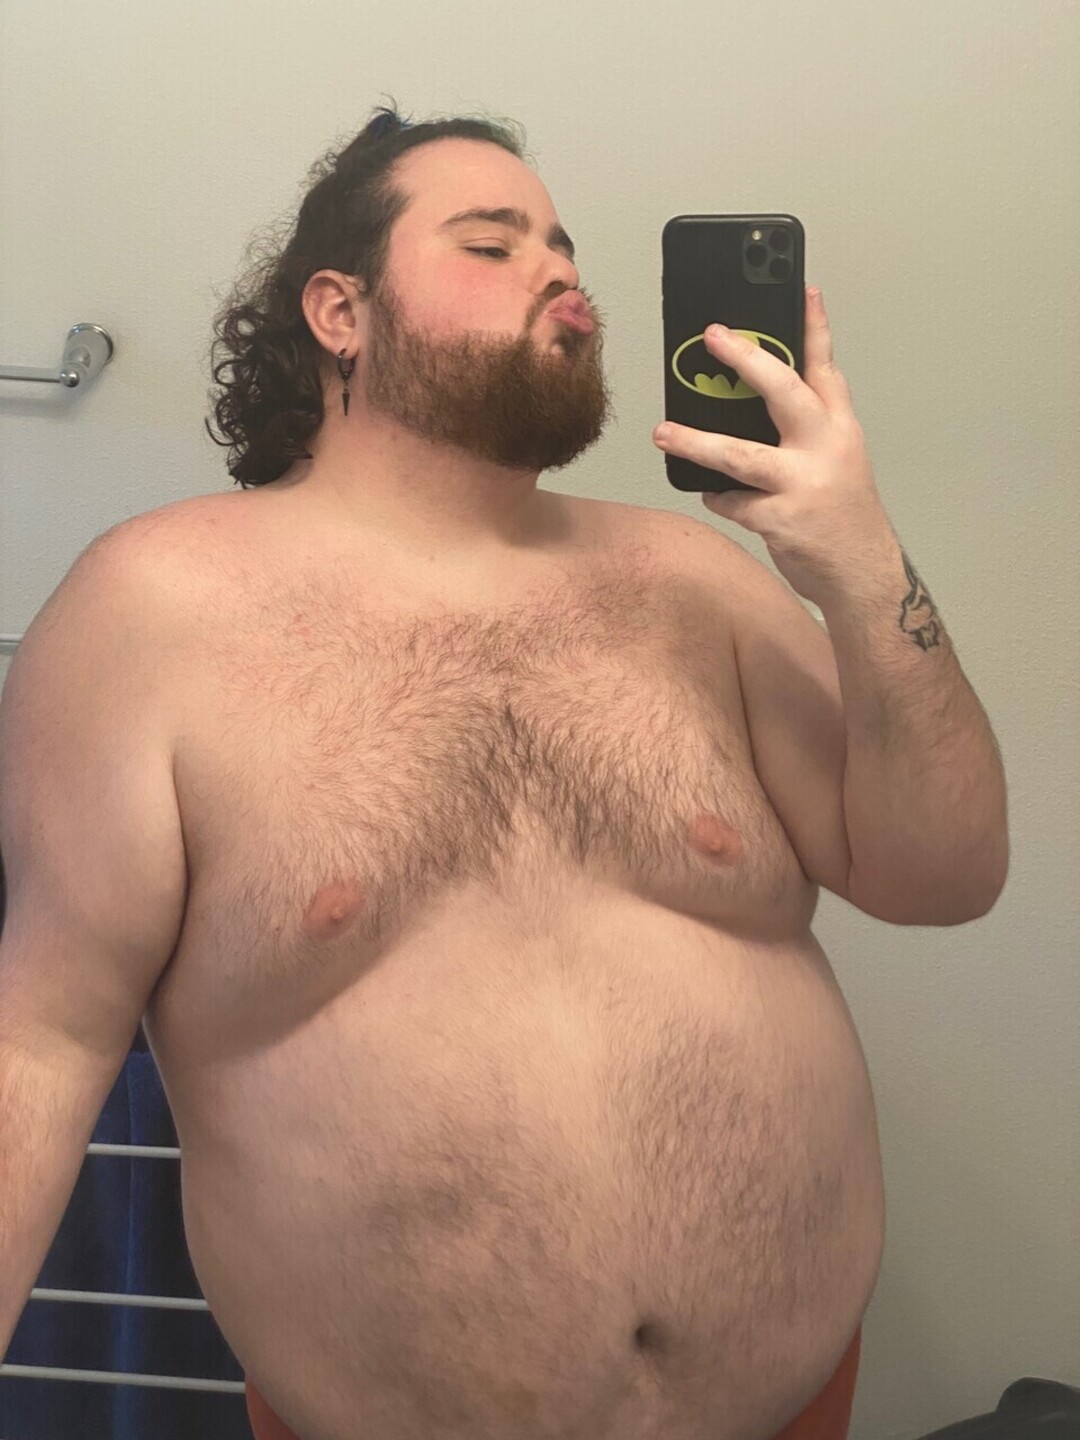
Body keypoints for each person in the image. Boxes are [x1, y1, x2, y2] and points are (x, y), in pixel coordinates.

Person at [0, 102, 1008, 1440]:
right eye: (493, 244)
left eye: (563, 247)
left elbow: (946, 877)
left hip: (796, 1405)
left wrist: (861, 561)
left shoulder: (694, 583)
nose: (560, 275)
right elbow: (42, 1041)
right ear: (340, 313)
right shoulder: (150, 613)